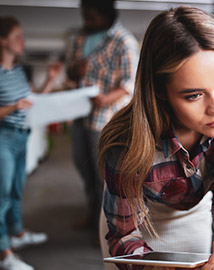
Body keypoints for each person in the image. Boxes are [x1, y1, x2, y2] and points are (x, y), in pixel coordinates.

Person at [98, 6, 214, 270]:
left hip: (197, 210)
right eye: (194, 95)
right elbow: (123, 234)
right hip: (140, 220)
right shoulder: (126, 144)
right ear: (161, 91)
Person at [64, 0, 139, 233]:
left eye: (91, 17)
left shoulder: (123, 41)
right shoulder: (80, 37)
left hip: (105, 118)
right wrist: (77, 70)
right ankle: (91, 212)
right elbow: (69, 70)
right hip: (80, 115)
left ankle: (106, 227)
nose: (86, 21)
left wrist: (106, 98)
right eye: (84, 16)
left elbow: (129, 82)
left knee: (103, 175)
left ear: (107, 15)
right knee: (82, 166)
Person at [0, 16, 62, 270]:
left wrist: (49, 80)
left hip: (22, 136)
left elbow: (33, 101)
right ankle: (5, 255)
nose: (22, 41)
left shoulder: (17, 71)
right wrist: (13, 107)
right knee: (1, 197)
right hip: (3, 138)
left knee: (16, 191)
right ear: (2, 40)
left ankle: (17, 234)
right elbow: (17, 106)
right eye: (17, 37)